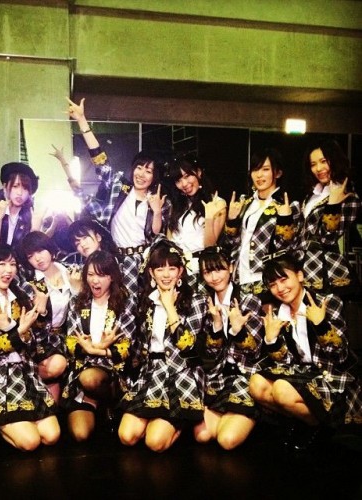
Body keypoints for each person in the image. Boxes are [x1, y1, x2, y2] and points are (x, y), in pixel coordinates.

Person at [249, 252, 357, 450]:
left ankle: (321, 428)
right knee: (256, 384)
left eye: (284, 279)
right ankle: (304, 421)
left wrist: (321, 325)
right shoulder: (279, 312)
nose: (280, 288)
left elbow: (340, 357)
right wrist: (271, 340)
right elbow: (285, 362)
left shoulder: (326, 301)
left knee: (281, 389)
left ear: (299, 275)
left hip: (330, 375)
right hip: (303, 373)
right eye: (273, 284)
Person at [66, 97, 170, 295]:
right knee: (119, 302)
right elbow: (100, 161)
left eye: (148, 171)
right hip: (116, 258)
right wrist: (82, 121)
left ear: (154, 176)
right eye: (139, 168)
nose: (141, 174)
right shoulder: (119, 187)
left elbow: (157, 233)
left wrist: (157, 211)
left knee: (147, 303)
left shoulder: (158, 199)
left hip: (146, 260)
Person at [0, 244, 60, 451]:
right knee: (30, 442)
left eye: (12, 264)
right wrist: (18, 332)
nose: (8, 270)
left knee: (52, 436)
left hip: (25, 372)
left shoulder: (20, 295)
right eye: (1, 264)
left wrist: (11, 326)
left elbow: (33, 343)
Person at [118, 238, 207, 452]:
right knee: (126, 436)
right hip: (152, 373)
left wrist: (170, 308)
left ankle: (183, 419)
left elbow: (189, 347)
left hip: (180, 374)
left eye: (172, 268)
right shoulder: (146, 301)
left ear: (181, 271)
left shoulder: (196, 300)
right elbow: (140, 345)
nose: (166, 274)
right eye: (159, 269)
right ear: (151, 272)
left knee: (155, 442)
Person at [61, 250, 137, 442]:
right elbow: (71, 341)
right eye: (91, 274)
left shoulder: (125, 303)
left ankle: (112, 402)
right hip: (83, 368)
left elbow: (127, 346)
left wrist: (98, 350)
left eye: (101, 275)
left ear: (112, 277)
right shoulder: (78, 301)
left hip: (113, 371)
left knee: (90, 378)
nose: (95, 280)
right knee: (80, 434)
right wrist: (88, 349)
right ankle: (98, 404)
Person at [193, 246, 263, 450]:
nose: (214, 277)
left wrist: (238, 330)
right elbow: (210, 353)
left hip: (244, 376)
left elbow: (255, 351)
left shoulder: (248, 300)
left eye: (219, 269)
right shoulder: (205, 304)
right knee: (202, 436)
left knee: (226, 440)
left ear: (231, 268)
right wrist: (216, 325)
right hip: (218, 379)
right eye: (208, 272)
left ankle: (253, 416)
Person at [221, 148, 299, 298]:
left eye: (265, 169)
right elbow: (231, 243)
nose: (259, 175)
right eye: (255, 170)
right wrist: (232, 220)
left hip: (267, 278)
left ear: (278, 173)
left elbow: (287, 248)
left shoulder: (288, 205)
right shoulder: (244, 203)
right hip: (240, 276)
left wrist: (285, 219)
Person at [295, 139, 361, 296]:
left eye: (323, 161)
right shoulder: (312, 195)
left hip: (328, 273)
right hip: (303, 269)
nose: (318, 168)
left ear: (335, 160)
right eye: (313, 164)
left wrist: (333, 205)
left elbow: (327, 238)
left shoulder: (349, 197)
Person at [16, 231, 70, 401]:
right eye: (31, 256)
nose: (37, 258)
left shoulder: (69, 271)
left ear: (50, 249)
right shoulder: (29, 282)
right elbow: (30, 321)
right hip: (40, 339)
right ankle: (20, 376)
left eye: (40, 251)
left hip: (65, 336)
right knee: (56, 367)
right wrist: (42, 312)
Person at [164, 153, 227, 289]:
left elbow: (210, 246)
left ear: (198, 172)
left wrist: (209, 217)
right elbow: (169, 242)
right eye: (178, 180)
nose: (184, 184)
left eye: (187, 176)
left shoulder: (217, 203)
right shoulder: (177, 206)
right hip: (177, 271)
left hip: (201, 271)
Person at [0, 162, 39, 247]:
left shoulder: (29, 216)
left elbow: (31, 250)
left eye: (25, 188)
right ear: (5, 187)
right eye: (15, 186)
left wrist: (35, 229)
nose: (20, 193)